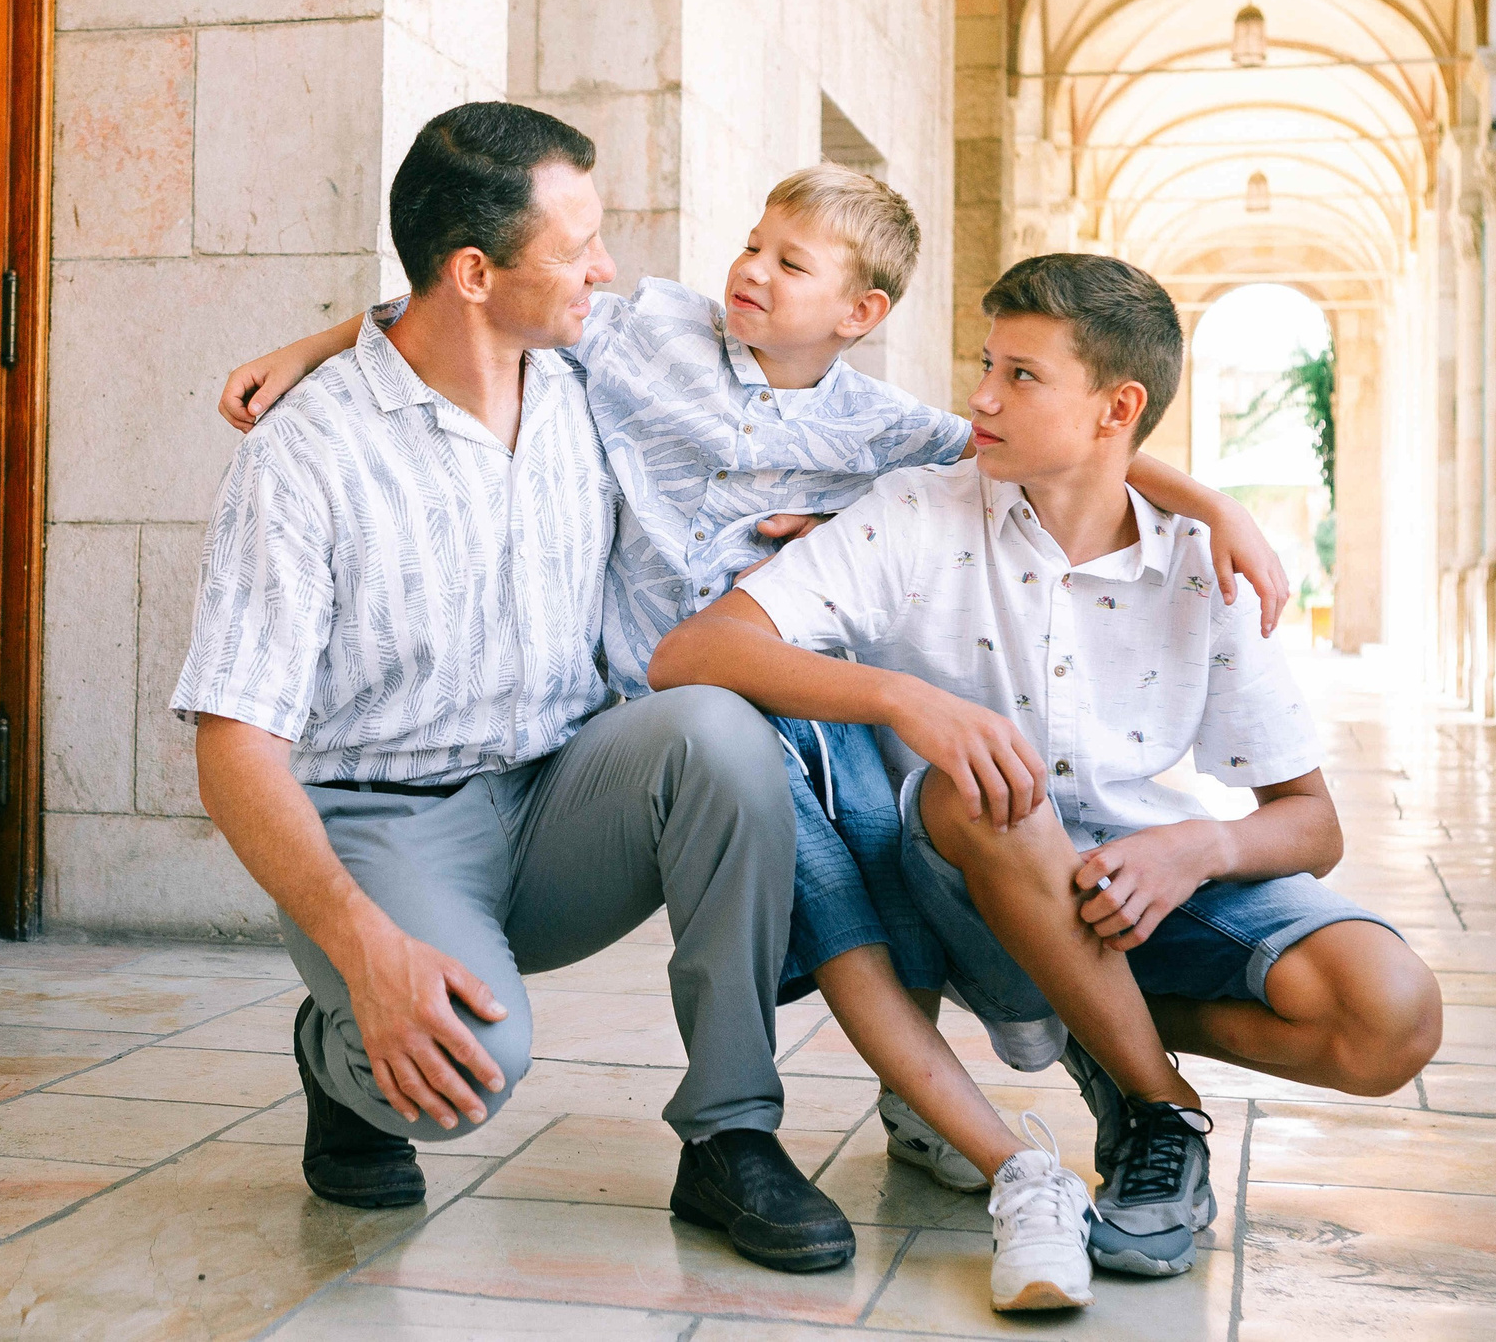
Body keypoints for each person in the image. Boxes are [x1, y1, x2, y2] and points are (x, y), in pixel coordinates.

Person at [224, 171, 1291, 1312]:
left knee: (834, 815)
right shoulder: (645, 330)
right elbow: (466, 294)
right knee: (481, 1050)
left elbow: (1057, 439)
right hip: (576, 730)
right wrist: (315, 345)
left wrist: (1214, 507)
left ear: (859, 315)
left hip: (664, 738)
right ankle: (339, 1061)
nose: (750, 271)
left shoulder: (877, 426)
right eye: (753, 245)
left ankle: (738, 1133)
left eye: (791, 264)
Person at [650, 251, 1443, 1289]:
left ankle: (1093, 1022)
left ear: (1117, 408)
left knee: (1390, 1014)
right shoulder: (917, 512)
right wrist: (908, 700)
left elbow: (1309, 821)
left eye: (1020, 376)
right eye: (987, 364)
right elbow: (691, 654)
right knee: (991, 788)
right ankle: (1158, 1110)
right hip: (956, 897)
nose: (980, 396)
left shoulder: (1202, 567)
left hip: (1131, 900)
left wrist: (1193, 849)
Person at [174, 102, 853, 1274]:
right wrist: (366, 949)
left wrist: (840, 517)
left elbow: (823, 425)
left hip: (558, 798)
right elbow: (233, 743)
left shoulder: (590, 383)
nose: (607, 268)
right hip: (382, 825)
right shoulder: (304, 456)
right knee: (461, 1082)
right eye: (576, 247)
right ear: (476, 272)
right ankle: (338, 1057)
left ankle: (731, 1133)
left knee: (718, 735)